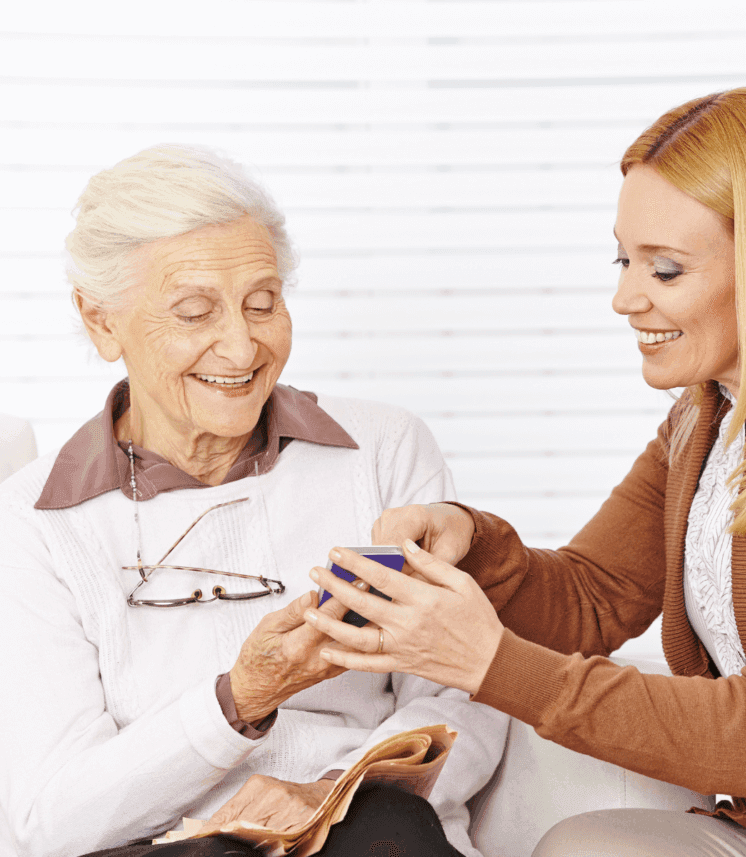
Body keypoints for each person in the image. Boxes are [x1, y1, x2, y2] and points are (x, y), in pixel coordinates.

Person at [303, 88, 746, 857]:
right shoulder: (707, 419)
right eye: (623, 258)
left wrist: (487, 661)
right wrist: (472, 544)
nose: (624, 297)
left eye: (665, 269)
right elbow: (590, 598)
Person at [0, 144, 508, 857]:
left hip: (366, 828)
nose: (241, 348)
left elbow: (465, 697)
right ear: (101, 321)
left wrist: (329, 792)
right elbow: (48, 817)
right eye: (194, 312)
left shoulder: (386, 449)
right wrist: (238, 699)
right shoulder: (31, 523)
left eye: (263, 303)